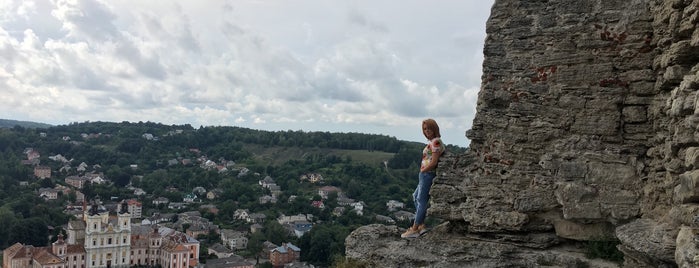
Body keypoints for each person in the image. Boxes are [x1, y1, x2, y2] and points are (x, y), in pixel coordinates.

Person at [401, 118, 446, 238]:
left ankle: (415, 228)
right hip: (424, 174)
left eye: (429, 128)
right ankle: (421, 225)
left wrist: (424, 170)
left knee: (421, 200)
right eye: (425, 129)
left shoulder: (436, 142)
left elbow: (434, 161)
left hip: (428, 174)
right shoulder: (432, 142)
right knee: (415, 196)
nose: (427, 131)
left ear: (434, 128)